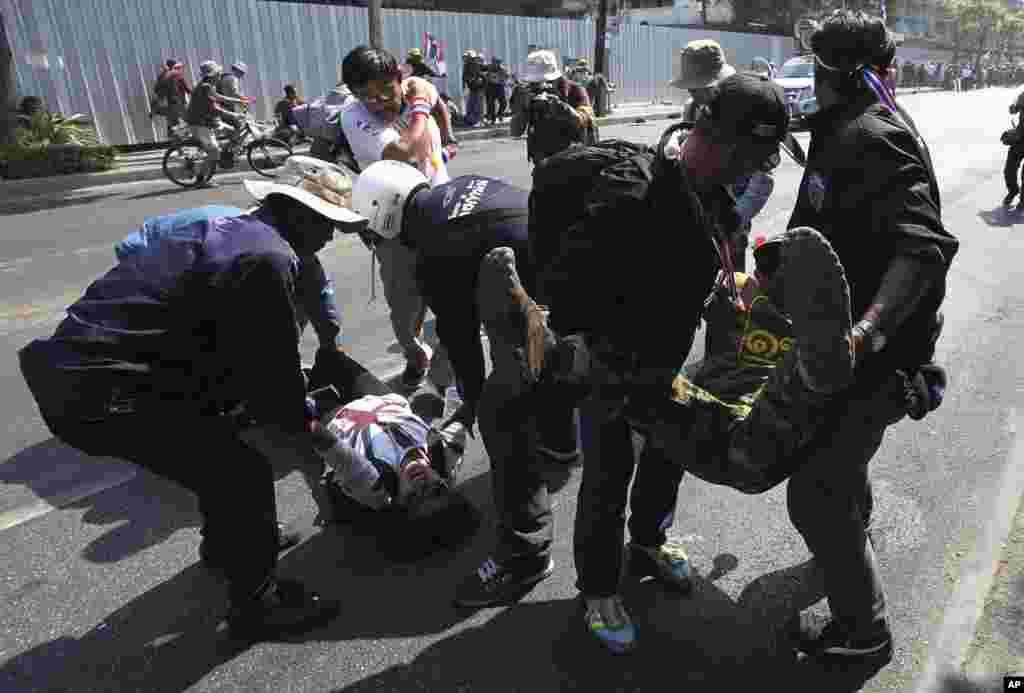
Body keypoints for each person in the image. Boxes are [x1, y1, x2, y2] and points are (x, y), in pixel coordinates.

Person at [17, 156, 368, 641]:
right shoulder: (266, 256)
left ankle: (230, 549)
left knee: (218, 436)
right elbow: (276, 385)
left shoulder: (217, 227)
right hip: (99, 389)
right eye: (327, 224)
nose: (330, 238)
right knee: (241, 472)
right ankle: (256, 606)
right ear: (298, 213)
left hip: (77, 369)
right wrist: (324, 442)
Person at [556, 72, 794, 655]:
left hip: (667, 356)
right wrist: (586, 349)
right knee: (608, 478)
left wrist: (731, 290)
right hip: (610, 361)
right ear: (717, 139)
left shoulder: (713, 189)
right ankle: (598, 590)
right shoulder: (629, 194)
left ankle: (651, 541)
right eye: (753, 157)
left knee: (669, 453)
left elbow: (724, 248)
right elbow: (569, 284)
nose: (758, 171)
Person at [775, 9, 957, 666]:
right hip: (854, 351)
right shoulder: (842, 129)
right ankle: (852, 541)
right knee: (840, 472)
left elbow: (921, 249)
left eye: (818, 65)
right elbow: (832, 230)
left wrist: (862, 334)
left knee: (815, 491)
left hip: (873, 359)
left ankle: (864, 629)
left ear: (836, 73)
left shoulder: (874, 136)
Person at [350, 161, 583, 606]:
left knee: (503, 416)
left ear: (383, 219)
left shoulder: (434, 249)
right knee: (540, 363)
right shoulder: (465, 187)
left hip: (556, 313)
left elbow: (462, 346)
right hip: (582, 292)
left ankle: (525, 553)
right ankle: (559, 442)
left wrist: (475, 410)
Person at [340, 45, 456, 390]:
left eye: (385, 91)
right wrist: (420, 107)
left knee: (452, 298)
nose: (378, 103)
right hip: (395, 226)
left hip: (443, 211)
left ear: (399, 78)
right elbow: (404, 151)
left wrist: (448, 137)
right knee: (405, 310)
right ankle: (414, 354)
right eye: (367, 96)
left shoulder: (417, 87)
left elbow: (438, 102)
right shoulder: (354, 117)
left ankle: (447, 377)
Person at [316, 385, 481, 563]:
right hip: (385, 401)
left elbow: (323, 439)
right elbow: (456, 394)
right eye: (436, 490)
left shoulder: (373, 484)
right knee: (332, 358)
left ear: (397, 504)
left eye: (413, 498)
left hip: (339, 416)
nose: (421, 484)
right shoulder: (448, 453)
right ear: (445, 481)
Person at [673, 40, 775, 272]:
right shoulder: (693, 107)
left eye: (697, 86)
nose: (691, 92)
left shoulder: (747, 107)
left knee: (732, 292)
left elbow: (763, 179)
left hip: (731, 223)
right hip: (697, 220)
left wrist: (735, 220)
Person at [510, 49, 596, 165]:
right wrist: (523, 108)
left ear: (556, 78)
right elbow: (516, 132)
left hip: (573, 160)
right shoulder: (529, 94)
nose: (541, 86)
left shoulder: (575, 91)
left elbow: (584, 120)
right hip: (542, 162)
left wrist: (561, 107)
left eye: (546, 81)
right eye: (535, 82)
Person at [184, 61, 248, 186]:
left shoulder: (209, 85)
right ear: (212, 75)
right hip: (200, 124)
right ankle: (200, 180)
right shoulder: (205, 87)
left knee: (233, 132)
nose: (220, 75)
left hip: (208, 121)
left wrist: (240, 101)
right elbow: (215, 109)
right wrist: (234, 114)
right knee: (214, 151)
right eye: (218, 73)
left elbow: (220, 97)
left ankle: (224, 155)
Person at [153, 60, 191, 138]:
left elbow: (156, 89)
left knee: (173, 121)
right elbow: (186, 87)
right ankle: (180, 137)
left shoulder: (162, 76)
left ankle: (174, 140)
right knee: (187, 119)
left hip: (168, 102)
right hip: (178, 101)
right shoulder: (177, 74)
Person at [1003, 87, 1024, 208]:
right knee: (1009, 170)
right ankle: (1013, 190)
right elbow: (1013, 109)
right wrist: (1014, 107)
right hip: (1020, 138)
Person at [463, 50, 487, 127]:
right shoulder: (466, 66)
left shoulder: (476, 65)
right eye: (466, 57)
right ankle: (471, 121)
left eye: (467, 57)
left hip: (479, 89)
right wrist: (465, 84)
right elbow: (464, 77)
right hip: (472, 89)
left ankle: (480, 121)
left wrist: (480, 80)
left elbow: (483, 75)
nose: (466, 59)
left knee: (478, 106)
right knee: (471, 105)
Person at [484, 56, 510, 125]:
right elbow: (484, 74)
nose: (495, 64)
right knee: (491, 104)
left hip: (499, 87)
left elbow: (507, 76)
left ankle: (500, 114)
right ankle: (492, 119)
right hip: (490, 87)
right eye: (494, 62)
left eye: (497, 62)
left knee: (503, 103)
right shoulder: (488, 68)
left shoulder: (502, 69)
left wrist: (503, 80)